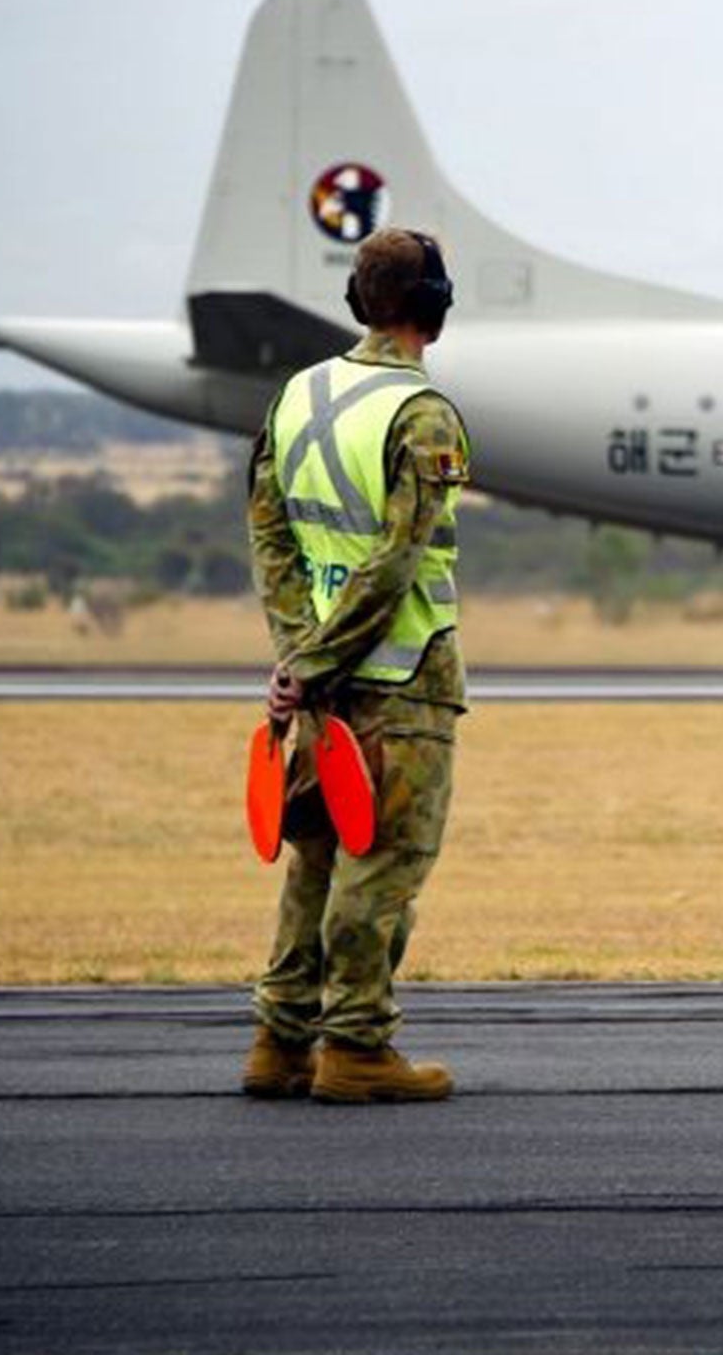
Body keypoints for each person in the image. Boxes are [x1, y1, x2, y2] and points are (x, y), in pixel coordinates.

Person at [240, 227, 472, 1103]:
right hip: (402, 680)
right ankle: (358, 1048)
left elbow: (270, 535)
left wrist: (300, 658)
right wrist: (327, 656)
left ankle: (279, 1039)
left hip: (320, 688)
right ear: (434, 309)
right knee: (384, 863)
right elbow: (397, 560)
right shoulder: (421, 415)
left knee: (315, 856)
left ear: (357, 303)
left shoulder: (297, 396)